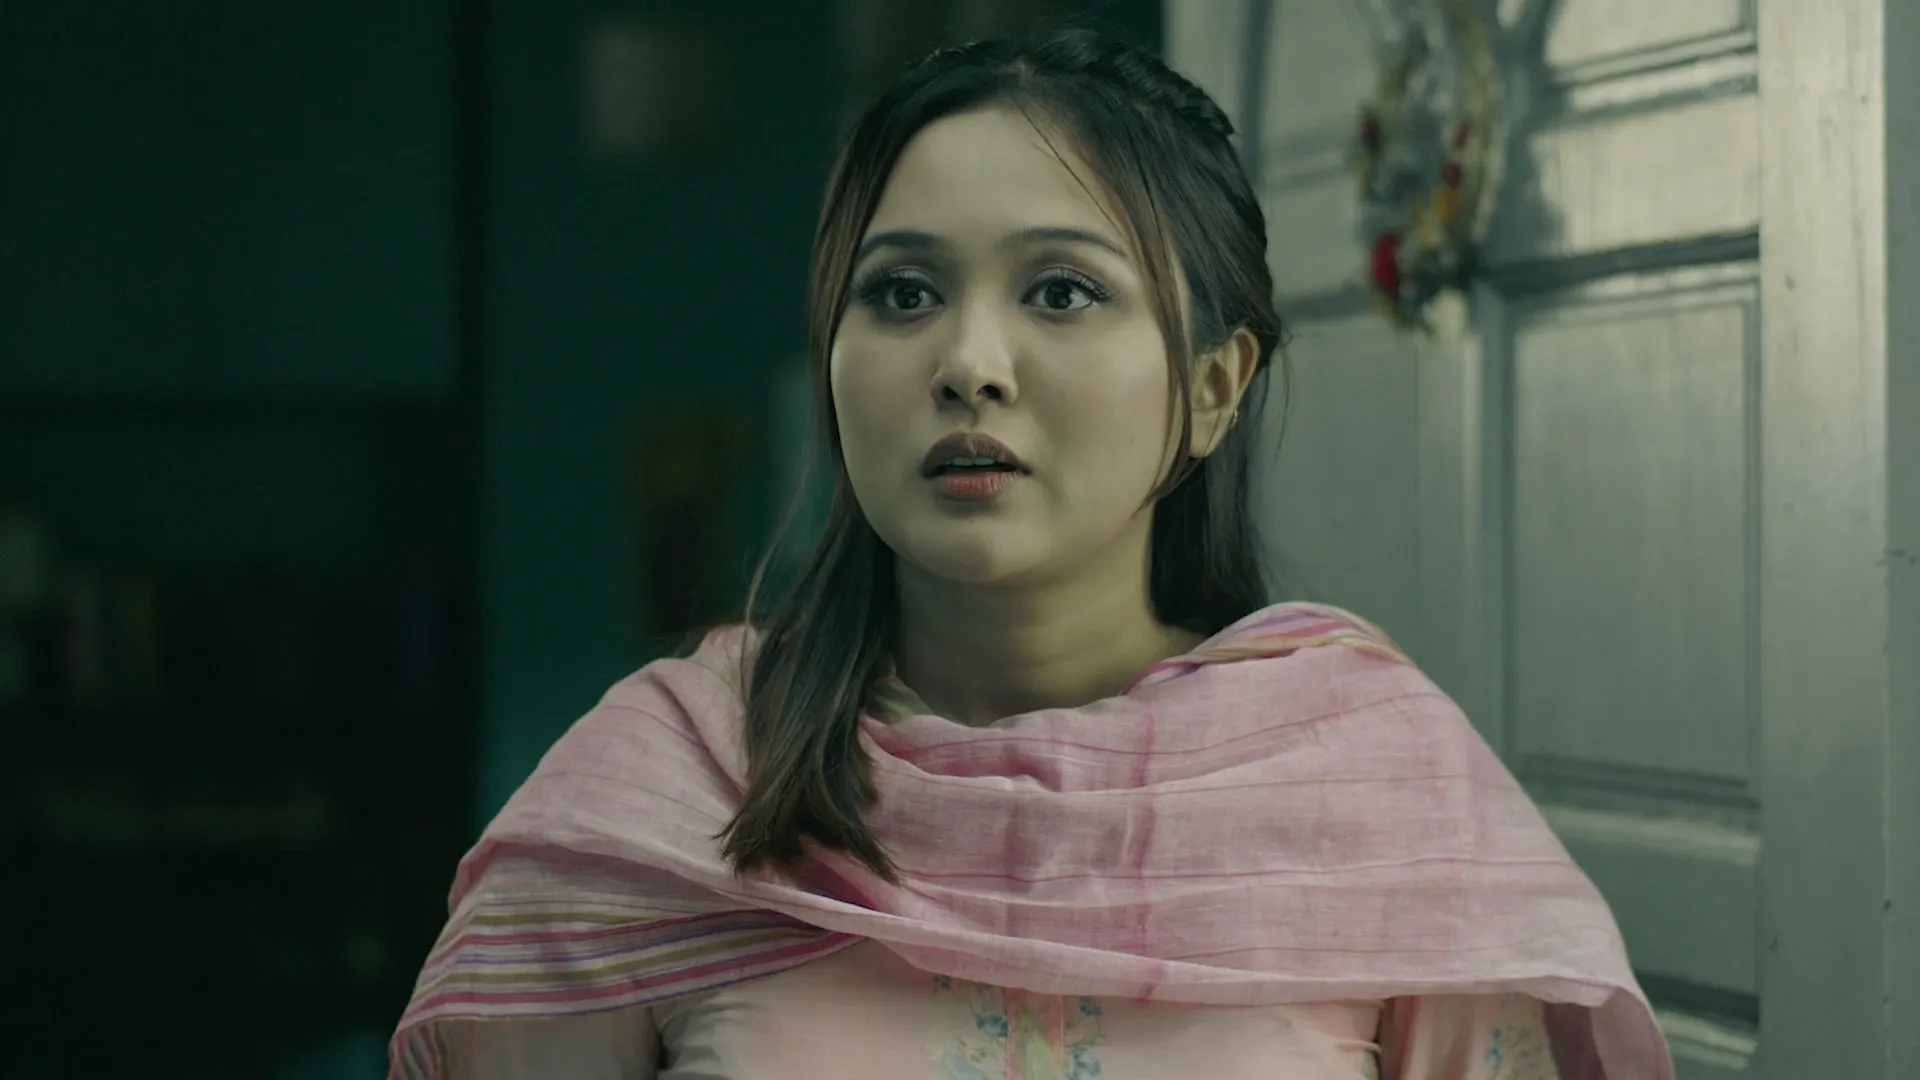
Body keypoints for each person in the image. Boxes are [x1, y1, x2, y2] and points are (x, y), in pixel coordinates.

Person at [391, 26, 1671, 1080]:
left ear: (1213, 388)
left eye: (1062, 291)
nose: (968, 364)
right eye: (902, 293)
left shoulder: (1389, 804)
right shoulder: (658, 800)